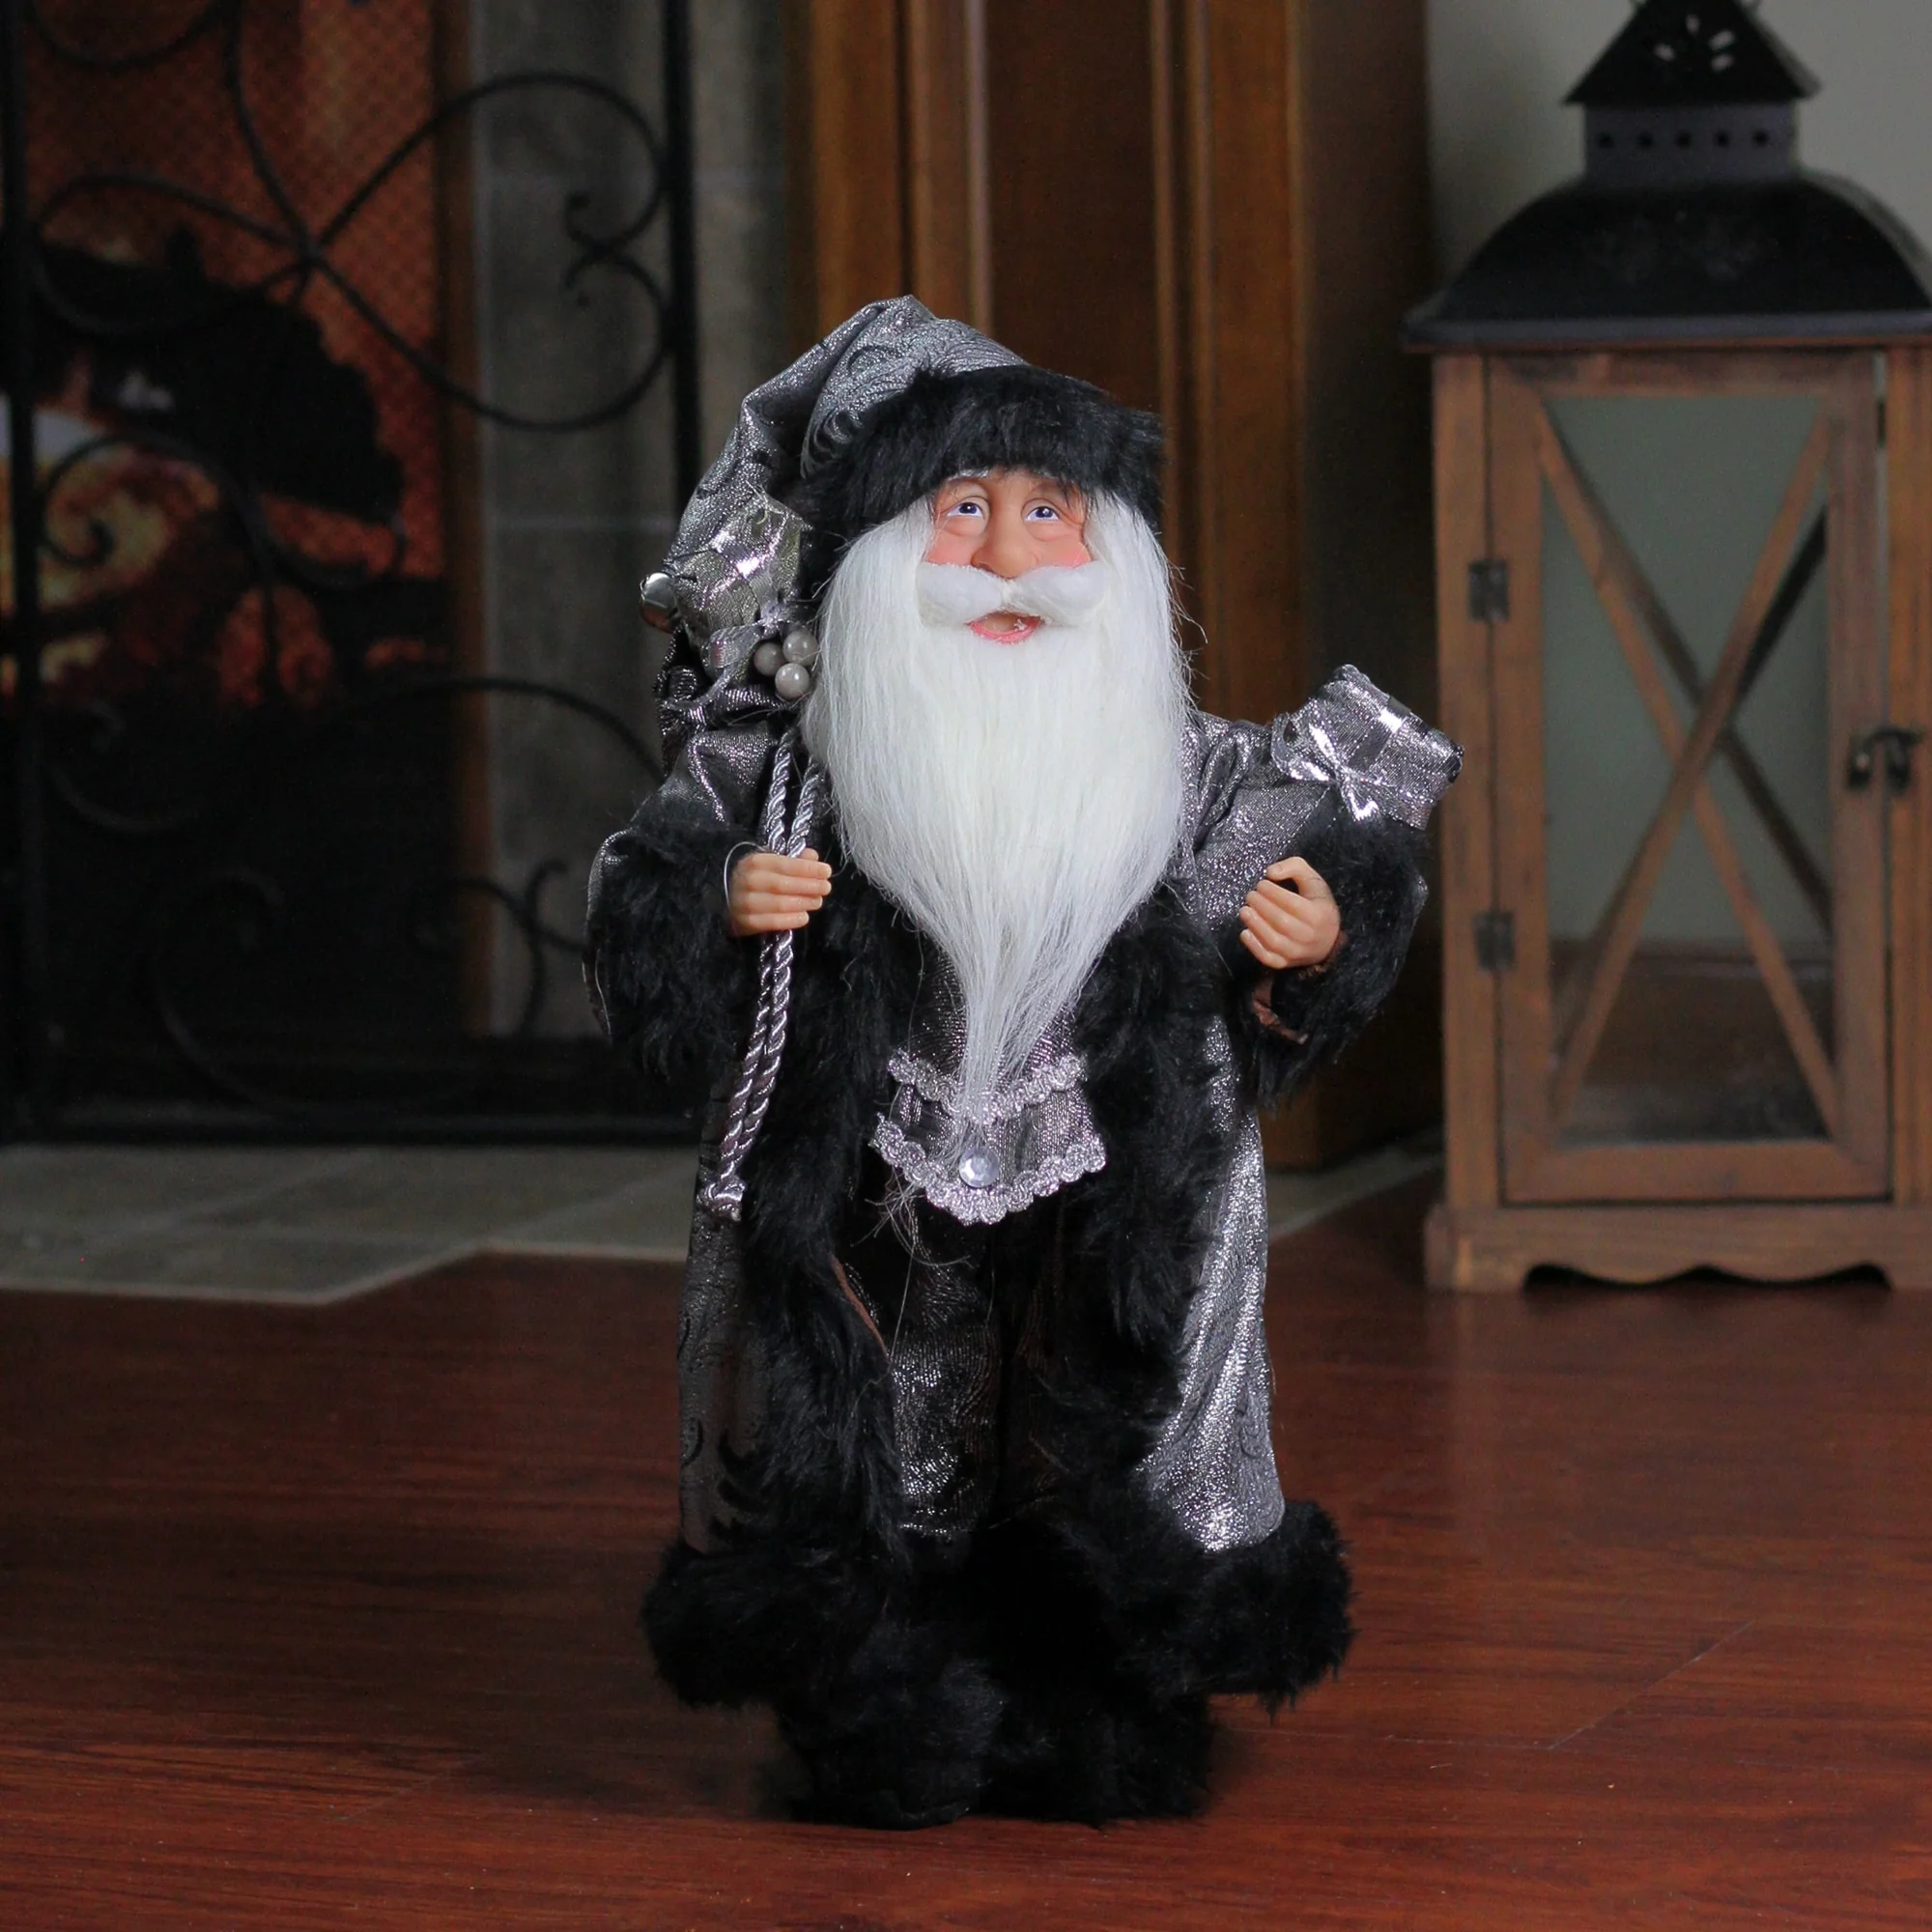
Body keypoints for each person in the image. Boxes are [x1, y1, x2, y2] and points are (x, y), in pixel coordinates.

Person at [585, 298, 1458, 1828]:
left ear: (1109, 546)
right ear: (875, 557)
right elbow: (642, 891)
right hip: (868, 1186)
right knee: (870, 1426)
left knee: (1099, 1417)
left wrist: (1325, 928)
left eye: (1047, 512)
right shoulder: (789, 765)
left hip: (1103, 1178)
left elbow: (1322, 850)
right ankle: (872, 1688)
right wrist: (714, 904)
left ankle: (1104, 1690)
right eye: (961, 512)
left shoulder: (1174, 766)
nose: (1004, 559)